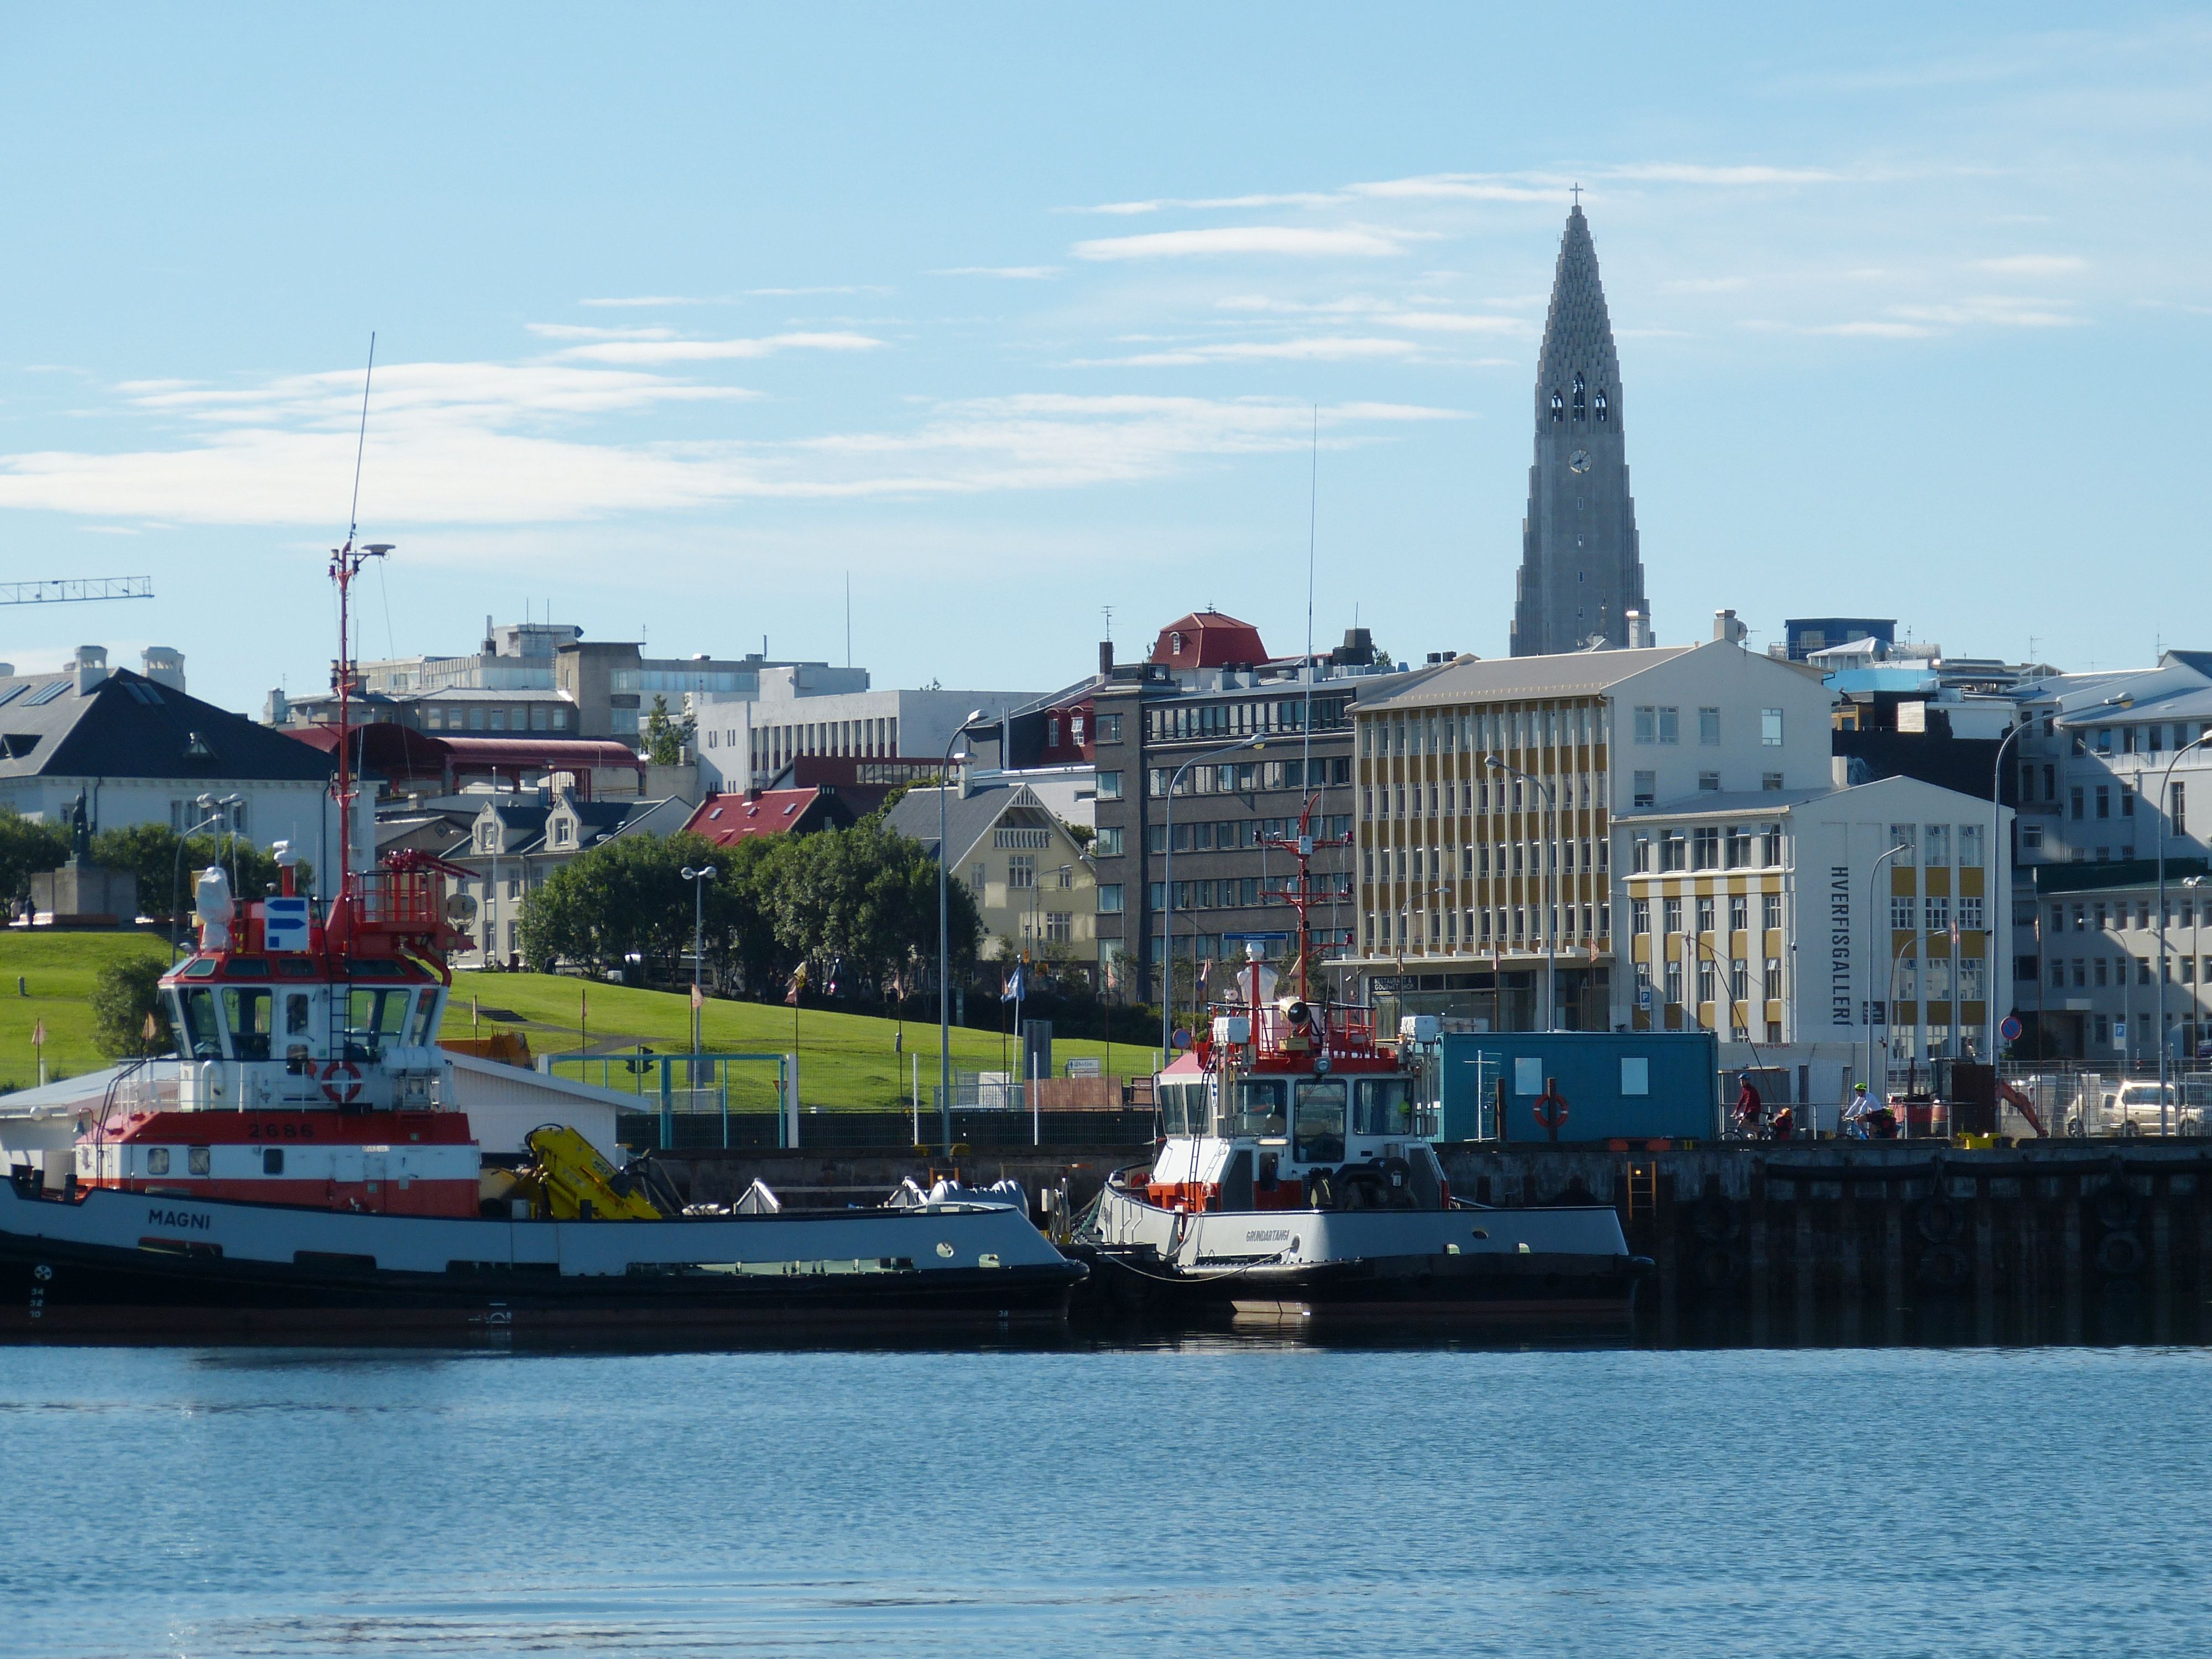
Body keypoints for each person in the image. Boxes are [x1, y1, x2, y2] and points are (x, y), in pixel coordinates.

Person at [1734, 1073, 1764, 1138]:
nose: (1741, 1083)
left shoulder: (1751, 1090)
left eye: (1743, 1081)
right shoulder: (1745, 1089)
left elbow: (1748, 1102)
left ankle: (1760, 1131)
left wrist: (1744, 1114)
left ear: (1747, 1081)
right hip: (1754, 1110)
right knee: (1756, 1129)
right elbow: (1742, 1100)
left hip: (1754, 1110)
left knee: (1742, 1124)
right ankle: (1758, 1144)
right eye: (1741, 1081)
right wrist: (1736, 1111)